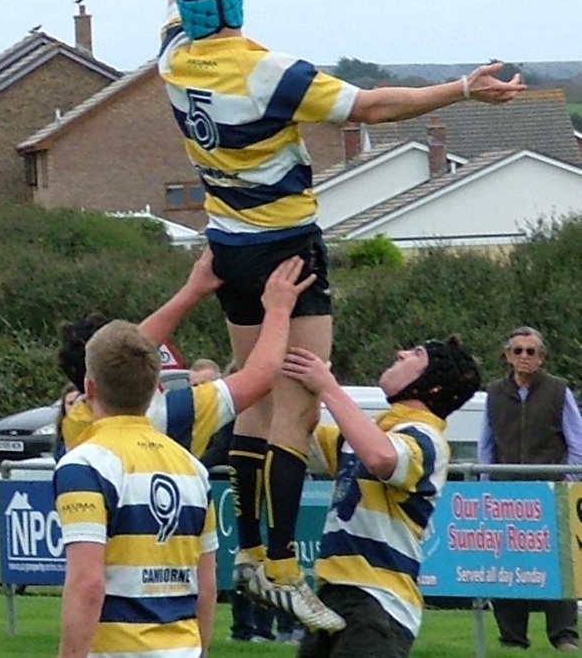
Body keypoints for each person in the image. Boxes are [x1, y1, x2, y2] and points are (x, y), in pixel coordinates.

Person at [148, 0, 523, 631]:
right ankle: (278, 566)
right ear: (240, 8)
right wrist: (461, 87)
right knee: (296, 411)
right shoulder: (265, 70)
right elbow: (373, 106)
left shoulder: (175, 59)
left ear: (186, 13)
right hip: (286, 246)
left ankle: (251, 553)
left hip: (229, 248)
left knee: (251, 408)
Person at [281, 336, 482, 658]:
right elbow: (297, 436)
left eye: (416, 354)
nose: (400, 352)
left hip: (379, 603)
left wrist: (328, 388)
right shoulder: (378, 430)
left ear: (430, 387)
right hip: (334, 594)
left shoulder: (426, 437)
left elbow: (381, 458)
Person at [54, 320, 217, 658]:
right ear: (156, 386)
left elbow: (87, 585)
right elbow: (205, 587)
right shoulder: (194, 471)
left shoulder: (84, 465)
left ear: (89, 387)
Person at [57, 251, 313, 462]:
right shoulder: (171, 415)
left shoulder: (77, 422)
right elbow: (259, 376)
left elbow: (119, 352)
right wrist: (278, 310)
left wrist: (193, 291)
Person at [480, 326, 582, 652]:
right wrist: (487, 487)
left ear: (542, 357)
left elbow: (577, 442)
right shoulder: (494, 393)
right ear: (508, 355)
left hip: (550, 494)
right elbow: (486, 444)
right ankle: (512, 638)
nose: (525, 356)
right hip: (505, 496)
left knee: (558, 566)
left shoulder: (559, 390)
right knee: (505, 565)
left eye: (531, 351)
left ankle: (564, 635)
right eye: (518, 350)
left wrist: (568, 483)